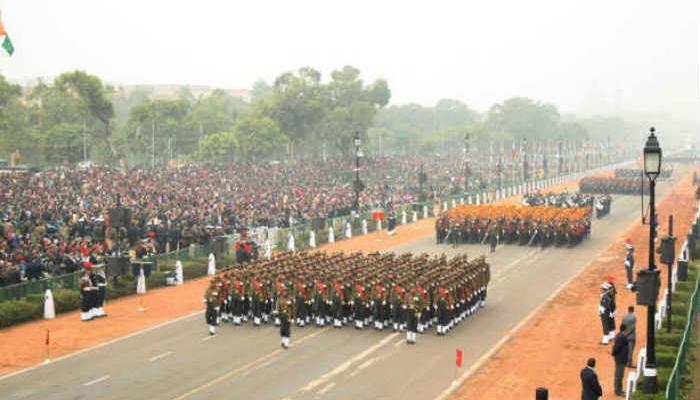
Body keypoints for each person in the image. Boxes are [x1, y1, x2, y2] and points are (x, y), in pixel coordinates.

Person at [611, 323, 630, 396]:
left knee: (619, 375)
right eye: (627, 329)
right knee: (619, 375)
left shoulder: (620, 336)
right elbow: (616, 348)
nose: (628, 330)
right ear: (625, 329)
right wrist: (613, 353)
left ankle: (619, 389)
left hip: (620, 359)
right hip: (620, 359)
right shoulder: (620, 337)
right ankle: (618, 391)